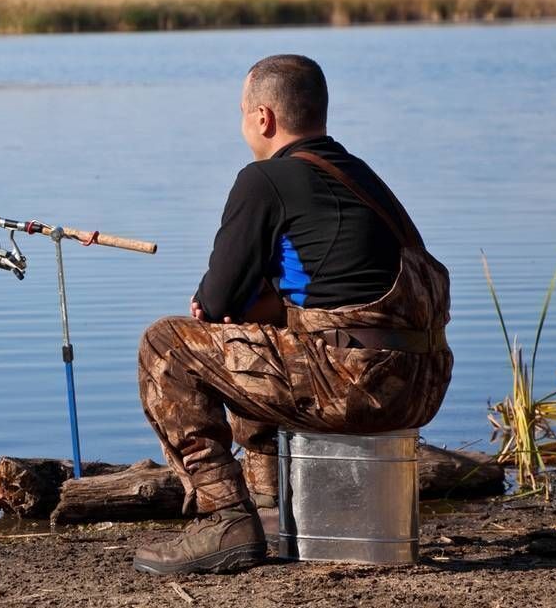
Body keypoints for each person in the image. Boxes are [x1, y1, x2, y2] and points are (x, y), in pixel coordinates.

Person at [131, 54, 453, 575]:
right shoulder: (360, 176)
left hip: (356, 386)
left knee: (166, 344)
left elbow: (214, 302)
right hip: (422, 383)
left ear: (263, 117)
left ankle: (226, 518)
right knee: (255, 333)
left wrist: (227, 306)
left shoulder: (265, 179)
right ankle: (269, 503)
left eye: (240, 112)